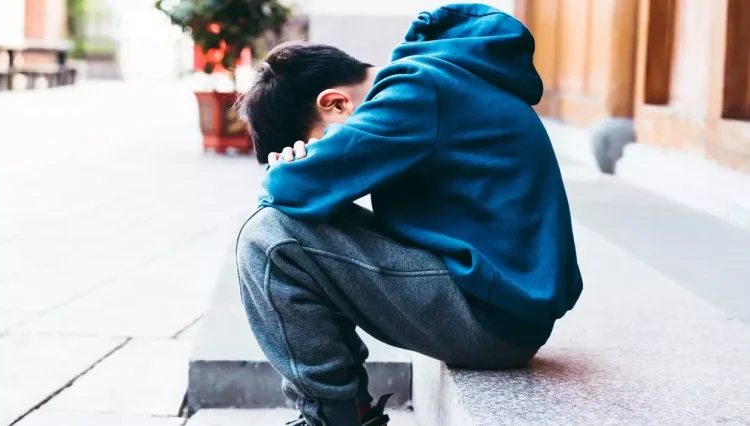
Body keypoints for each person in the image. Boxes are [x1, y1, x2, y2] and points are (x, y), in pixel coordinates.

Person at [235, 3, 583, 426]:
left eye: (316, 144)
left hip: (492, 319)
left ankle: (334, 419)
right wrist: (307, 170)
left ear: (336, 104)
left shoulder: (414, 90)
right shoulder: (440, 79)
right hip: (502, 306)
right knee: (301, 228)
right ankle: (346, 412)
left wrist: (286, 169)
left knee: (268, 238)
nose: (319, 154)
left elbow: (289, 189)